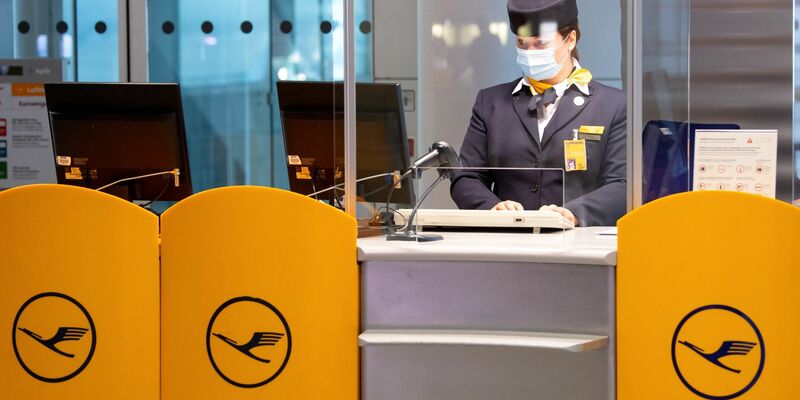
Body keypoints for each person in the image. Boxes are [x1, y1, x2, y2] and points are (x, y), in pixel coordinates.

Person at [450, 0, 626, 226]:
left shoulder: (612, 105)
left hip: (580, 243)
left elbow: (623, 184)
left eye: (540, 43)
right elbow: (467, 177)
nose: (530, 53)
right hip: (507, 240)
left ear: (570, 39)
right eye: (522, 44)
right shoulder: (491, 103)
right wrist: (491, 207)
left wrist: (573, 213)